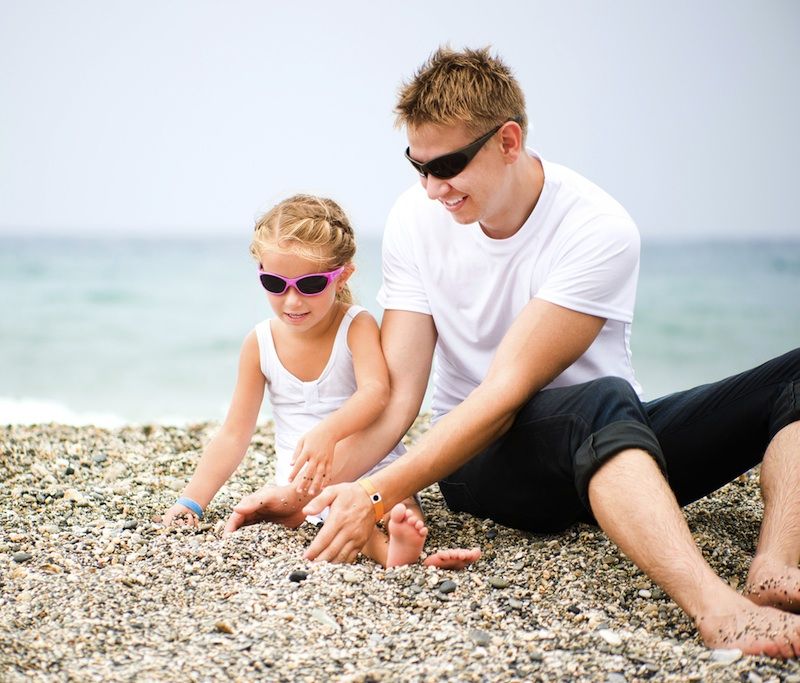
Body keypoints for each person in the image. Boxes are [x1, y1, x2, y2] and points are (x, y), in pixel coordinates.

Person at [226, 47, 800, 657]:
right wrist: (323, 491)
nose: (432, 188)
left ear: (507, 140)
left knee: (786, 374)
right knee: (601, 405)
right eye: (418, 166)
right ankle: (718, 608)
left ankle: (774, 564)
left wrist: (372, 493)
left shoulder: (597, 227)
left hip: (616, 446)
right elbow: (400, 401)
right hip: (482, 463)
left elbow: (512, 388)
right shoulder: (414, 221)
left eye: (447, 165)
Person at [162, 193, 480, 569]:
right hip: (303, 479)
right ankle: (393, 554)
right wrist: (192, 500)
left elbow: (377, 393)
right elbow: (234, 434)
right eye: (274, 283)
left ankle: (400, 541)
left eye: (310, 285)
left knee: (397, 502)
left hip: (373, 462)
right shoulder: (260, 343)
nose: (292, 301)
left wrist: (329, 433)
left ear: (342, 274)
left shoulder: (355, 325)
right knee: (329, 504)